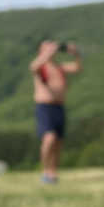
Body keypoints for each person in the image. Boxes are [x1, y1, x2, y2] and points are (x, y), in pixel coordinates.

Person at [29, 40, 82, 183]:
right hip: (45, 107)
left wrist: (75, 53)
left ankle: (53, 172)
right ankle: (45, 171)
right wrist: (47, 53)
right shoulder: (41, 66)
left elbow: (77, 68)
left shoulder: (59, 67)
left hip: (59, 107)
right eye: (47, 46)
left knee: (58, 142)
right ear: (41, 50)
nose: (52, 48)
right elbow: (33, 66)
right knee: (49, 139)